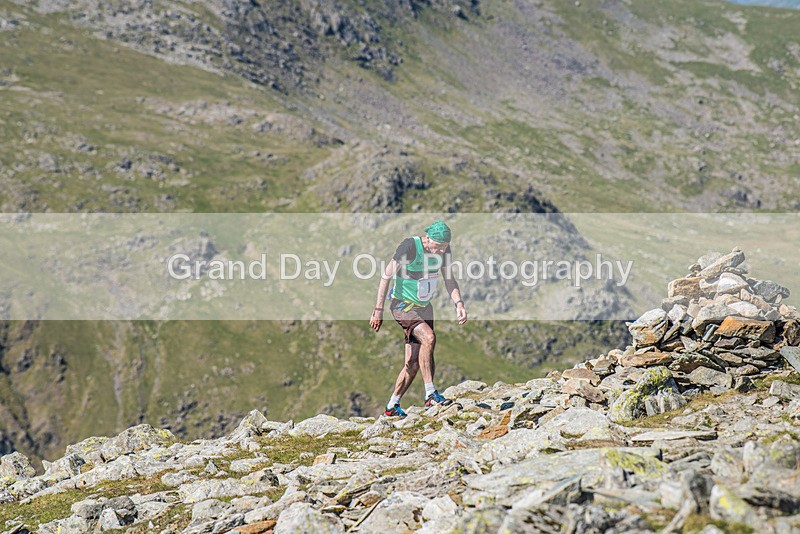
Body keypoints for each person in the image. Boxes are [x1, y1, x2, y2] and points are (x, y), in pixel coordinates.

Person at [369, 221, 468, 417]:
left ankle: (392, 406)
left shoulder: (444, 251)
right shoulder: (410, 246)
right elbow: (386, 276)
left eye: (445, 247)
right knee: (429, 338)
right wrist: (378, 309)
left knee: (413, 362)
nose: (441, 251)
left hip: (424, 307)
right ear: (428, 238)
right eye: (438, 246)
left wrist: (459, 303)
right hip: (402, 305)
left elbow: (449, 279)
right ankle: (430, 395)